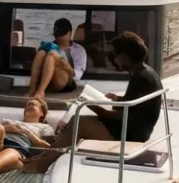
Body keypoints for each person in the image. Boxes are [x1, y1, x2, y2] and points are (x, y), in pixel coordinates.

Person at [29, 32, 163, 171]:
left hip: (130, 135)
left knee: (79, 126)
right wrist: (118, 99)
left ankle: (40, 165)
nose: (115, 60)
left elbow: (127, 116)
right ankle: (44, 157)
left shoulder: (141, 78)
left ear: (125, 56)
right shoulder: (144, 72)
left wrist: (98, 110)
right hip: (129, 129)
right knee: (76, 119)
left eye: (116, 55)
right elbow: (135, 105)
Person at [28, 18, 87, 99]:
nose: (59, 38)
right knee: (41, 52)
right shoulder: (49, 46)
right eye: (57, 35)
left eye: (62, 35)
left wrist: (64, 64)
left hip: (67, 82)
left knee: (52, 55)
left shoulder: (79, 50)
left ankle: (40, 92)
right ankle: (32, 90)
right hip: (46, 80)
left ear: (69, 34)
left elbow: (76, 76)